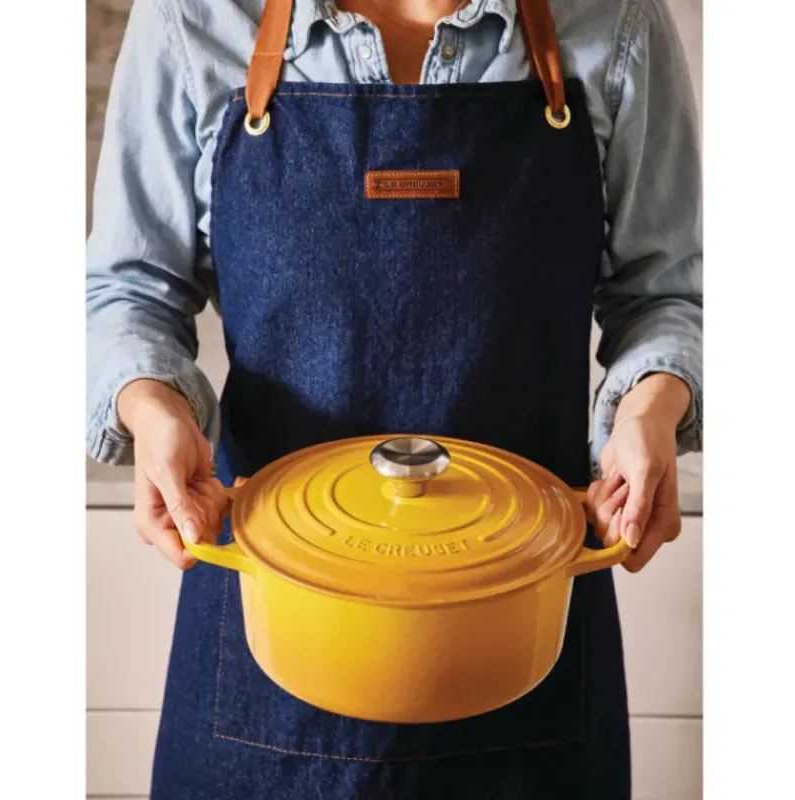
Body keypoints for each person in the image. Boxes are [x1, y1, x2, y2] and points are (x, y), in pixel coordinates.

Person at [86, 0, 702, 796]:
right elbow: (130, 289)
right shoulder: (193, 17)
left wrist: (650, 407)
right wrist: (152, 406)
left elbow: (667, 292)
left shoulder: (616, 22)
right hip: (267, 637)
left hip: (528, 637)